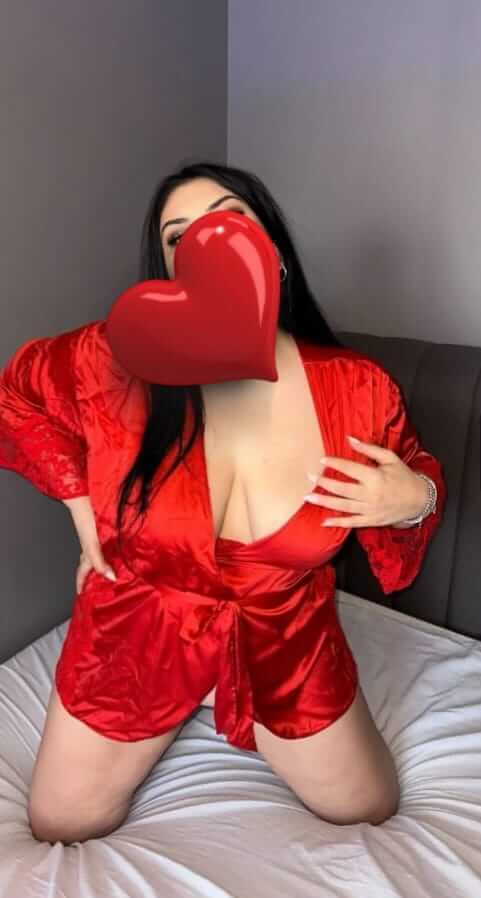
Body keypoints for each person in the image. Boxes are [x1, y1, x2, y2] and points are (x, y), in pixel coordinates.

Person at [0, 161, 447, 845]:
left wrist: (416, 497)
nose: (205, 245)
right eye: (178, 236)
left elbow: (412, 470)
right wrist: (82, 511)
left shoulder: (357, 388)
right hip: (136, 630)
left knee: (369, 807)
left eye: (229, 220)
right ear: (165, 271)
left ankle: (232, 693)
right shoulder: (109, 359)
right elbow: (20, 395)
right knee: (61, 823)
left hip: (285, 636)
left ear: (275, 252)